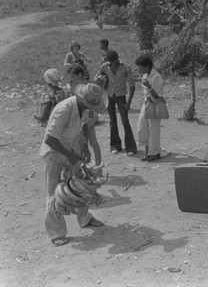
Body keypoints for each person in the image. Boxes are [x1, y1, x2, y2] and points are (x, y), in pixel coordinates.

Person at [39, 83, 107, 246]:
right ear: (81, 98)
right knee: (54, 193)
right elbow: (50, 139)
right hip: (54, 154)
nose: (91, 108)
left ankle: (85, 218)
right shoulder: (64, 109)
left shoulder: (84, 110)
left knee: (81, 185)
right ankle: (56, 233)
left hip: (72, 152)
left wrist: (83, 153)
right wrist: (71, 157)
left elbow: (80, 132)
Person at [95, 49, 137, 156]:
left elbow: (132, 85)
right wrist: (101, 79)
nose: (111, 64)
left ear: (117, 59)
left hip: (121, 97)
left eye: (112, 62)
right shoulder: (105, 66)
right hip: (109, 96)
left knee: (125, 121)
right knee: (112, 121)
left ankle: (130, 147)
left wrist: (129, 103)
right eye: (109, 62)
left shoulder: (126, 67)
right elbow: (96, 79)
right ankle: (115, 145)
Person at [135, 54, 164, 161]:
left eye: (140, 67)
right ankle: (148, 152)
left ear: (147, 66)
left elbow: (158, 96)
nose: (139, 69)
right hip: (147, 102)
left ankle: (155, 153)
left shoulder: (156, 77)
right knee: (142, 127)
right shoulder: (145, 75)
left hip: (155, 103)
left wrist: (149, 86)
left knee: (153, 129)